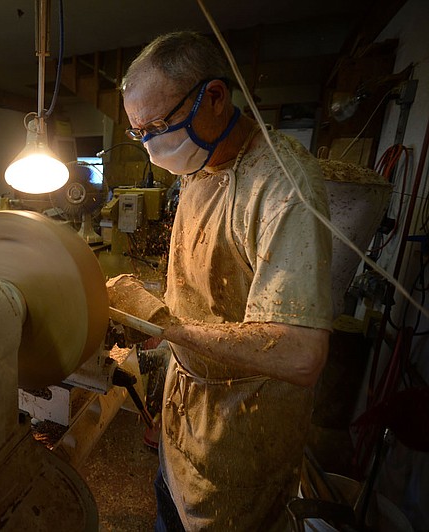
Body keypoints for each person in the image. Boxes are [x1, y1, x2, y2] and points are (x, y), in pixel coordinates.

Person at [109, 31, 334, 530]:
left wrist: (160, 321)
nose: (151, 145)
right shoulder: (197, 166)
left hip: (242, 428)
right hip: (182, 418)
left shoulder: (283, 185)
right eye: (138, 132)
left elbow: (300, 353)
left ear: (214, 96)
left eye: (160, 125)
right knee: (169, 508)